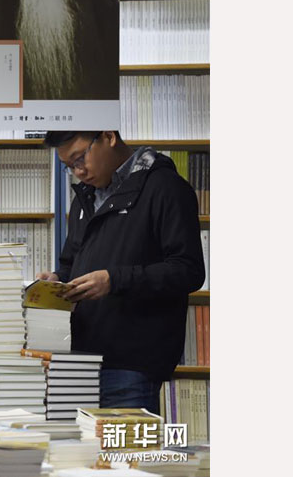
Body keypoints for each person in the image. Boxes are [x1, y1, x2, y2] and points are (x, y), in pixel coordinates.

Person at [38, 131, 205, 413]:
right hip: (77, 363)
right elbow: (71, 262)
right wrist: (56, 280)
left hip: (131, 365)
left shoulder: (165, 188)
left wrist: (115, 280)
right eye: (70, 167)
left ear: (108, 136)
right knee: (80, 457)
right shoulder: (85, 199)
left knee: (126, 456)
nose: (79, 172)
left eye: (80, 158)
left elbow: (188, 270)